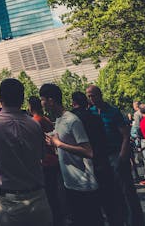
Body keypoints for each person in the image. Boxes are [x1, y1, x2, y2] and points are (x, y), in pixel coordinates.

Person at [0, 78, 52, 226]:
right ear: (22, 98)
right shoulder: (34, 125)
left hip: (8, 201)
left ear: (0, 99)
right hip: (38, 197)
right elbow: (42, 155)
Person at [38, 84, 100, 225]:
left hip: (84, 184)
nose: (42, 103)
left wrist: (59, 144)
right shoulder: (59, 120)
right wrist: (54, 144)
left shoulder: (72, 120)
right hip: (70, 184)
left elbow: (88, 151)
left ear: (51, 100)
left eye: (43, 99)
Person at [86, 85, 144, 226]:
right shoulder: (90, 112)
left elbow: (125, 135)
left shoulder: (113, 112)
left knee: (127, 191)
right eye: (88, 96)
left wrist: (123, 155)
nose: (91, 98)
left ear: (100, 95)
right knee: (113, 193)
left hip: (116, 154)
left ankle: (135, 222)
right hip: (102, 157)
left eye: (93, 95)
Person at [70, 91, 122, 226]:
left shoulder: (72, 119)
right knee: (111, 204)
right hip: (102, 162)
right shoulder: (95, 117)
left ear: (73, 103)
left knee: (92, 209)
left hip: (85, 167)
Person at [27, 96, 62, 226]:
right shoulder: (46, 119)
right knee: (55, 193)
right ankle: (59, 218)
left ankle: (54, 220)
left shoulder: (34, 121)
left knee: (49, 195)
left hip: (45, 162)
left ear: (31, 106)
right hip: (53, 159)